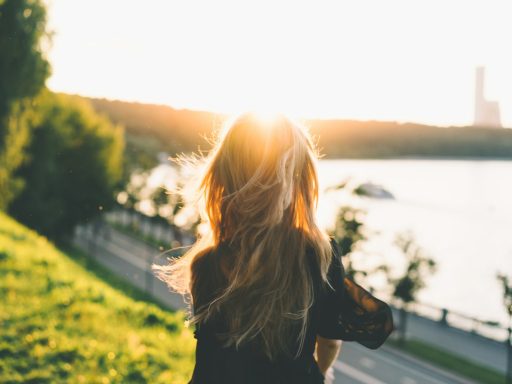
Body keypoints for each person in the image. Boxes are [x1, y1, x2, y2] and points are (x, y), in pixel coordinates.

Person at [153, 112, 394, 383]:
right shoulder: (317, 256)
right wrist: (322, 372)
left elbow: (217, 354)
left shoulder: (205, 262)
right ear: (299, 181)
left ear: (223, 175)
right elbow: (329, 342)